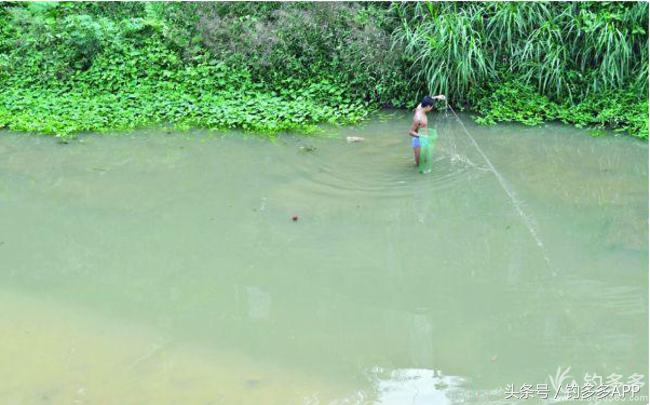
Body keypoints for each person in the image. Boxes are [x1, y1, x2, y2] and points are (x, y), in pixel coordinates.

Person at [409, 95, 445, 167]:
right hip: (418, 140)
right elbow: (410, 132)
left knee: (425, 159)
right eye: (431, 107)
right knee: (419, 164)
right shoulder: (418, 118)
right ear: (428, 106)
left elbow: (428, 99)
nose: (432, 108)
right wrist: (422, 136)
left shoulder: (420, 106)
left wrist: (437, 97)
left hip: (424, 137)